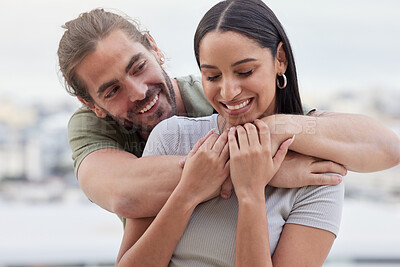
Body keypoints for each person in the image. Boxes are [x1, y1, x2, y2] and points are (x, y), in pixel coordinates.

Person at [114, 1, 400, 266]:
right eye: (212, 76)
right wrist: (188, 193)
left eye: (245, 71)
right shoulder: (172, 138)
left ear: (280, 60)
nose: (228, 91)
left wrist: (251, 191)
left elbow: (389, 147)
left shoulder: (316, 174)